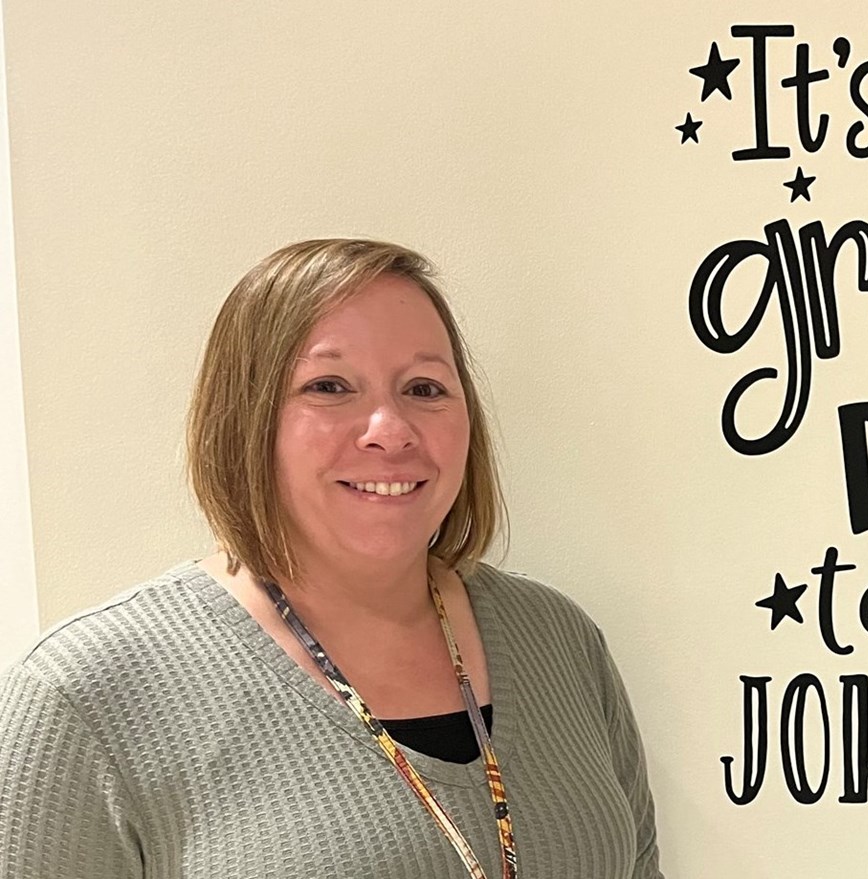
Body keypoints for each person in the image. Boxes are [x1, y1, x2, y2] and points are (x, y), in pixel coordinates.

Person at [0, 239, 663, 878]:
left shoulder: (557, 640)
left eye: (425, 388)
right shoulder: (84, 697)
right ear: (246, 421)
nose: (390, 430)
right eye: (329, 385)